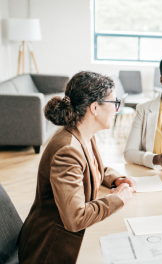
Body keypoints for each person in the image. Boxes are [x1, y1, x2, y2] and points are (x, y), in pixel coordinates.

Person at [18, 71, 136, 263]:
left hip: (67, 239)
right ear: (95, 108)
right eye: (114, 103)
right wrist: (116, 199)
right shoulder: (67, 150)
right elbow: (75, 218)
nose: (116, 109)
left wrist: (114, 179)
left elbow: (93, 168)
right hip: (49, 249)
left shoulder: (84, 133)